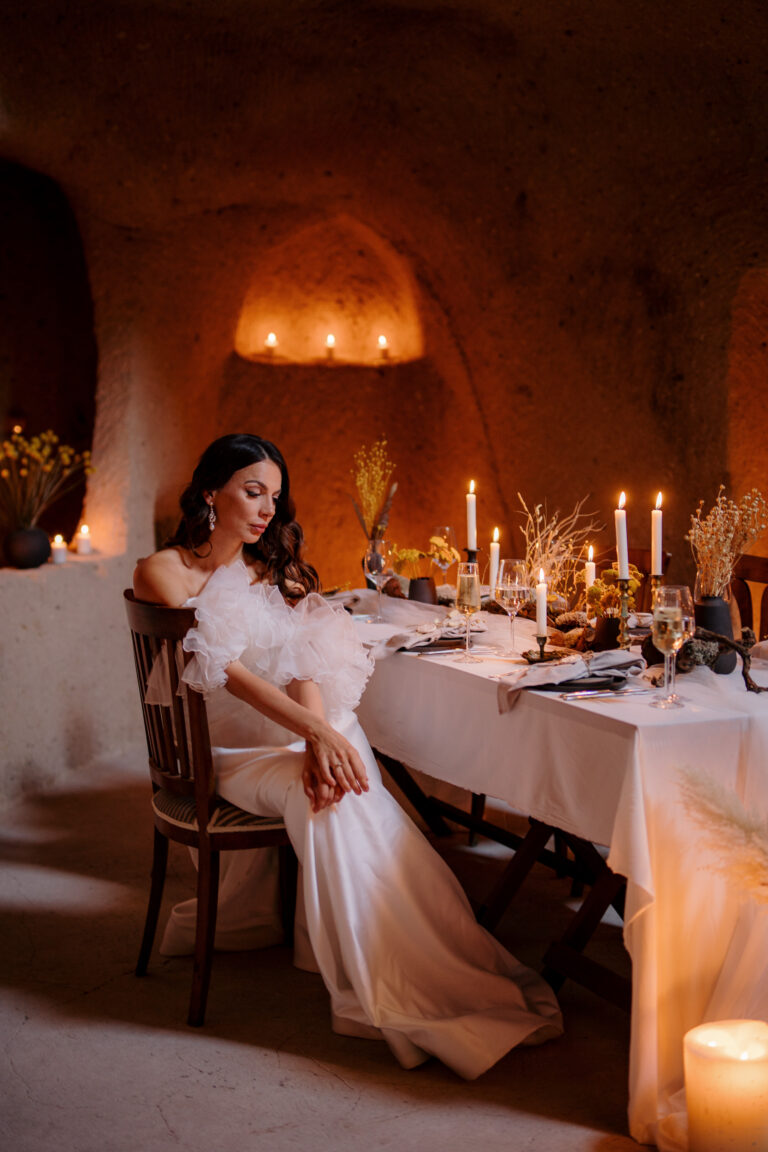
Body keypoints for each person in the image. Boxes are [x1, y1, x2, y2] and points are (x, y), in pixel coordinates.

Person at [134, 432, 562, 1078]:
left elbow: (297, 651)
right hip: (217, 749)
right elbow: (221, 670)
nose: (265, 509)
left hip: (278, 735)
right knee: (334, 764)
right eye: (252, 492)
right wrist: (317, 731)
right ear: (207, 494)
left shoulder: (256, 571)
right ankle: (377, 973)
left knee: (334, 768)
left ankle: (408, 953)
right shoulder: (161, 570)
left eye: (274, 497)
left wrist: (316, 736)